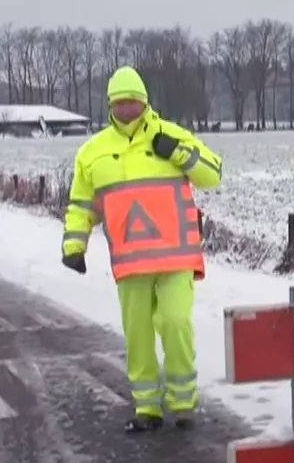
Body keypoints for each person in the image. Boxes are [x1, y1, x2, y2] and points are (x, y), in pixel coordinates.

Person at [61, 67, 224, 432]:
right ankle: (147, 408)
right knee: (137, 333)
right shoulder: (93, 152)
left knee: (175, 322)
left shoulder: (171, 135)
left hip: (176, 254)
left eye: (133, 102)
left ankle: (183, 402)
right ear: (110, 106)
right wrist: (75, 245)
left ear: (145, 101)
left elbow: (213, 174)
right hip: (130, 260)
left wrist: (181, 154)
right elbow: (82, 204)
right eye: (120, 103)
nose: (128, 109)